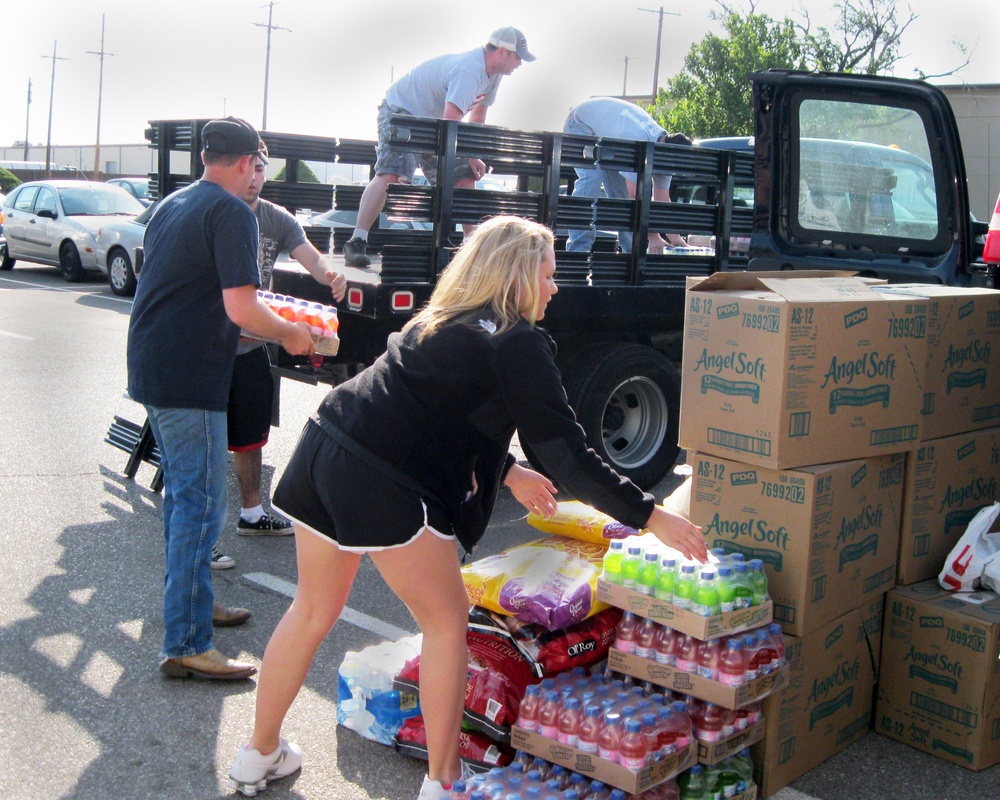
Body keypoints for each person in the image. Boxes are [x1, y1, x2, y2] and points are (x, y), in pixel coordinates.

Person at [226, 216, 708, 798]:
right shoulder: (518, 340)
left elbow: (435, 409)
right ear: (518, 274)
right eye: (549, 275)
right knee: (446, 622)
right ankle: (444, 782)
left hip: (325, 445)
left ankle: (258, 754)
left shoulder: (446, 319)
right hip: (382, 478)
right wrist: (653, 515)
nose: (556, 288)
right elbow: (572, 457)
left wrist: (507, 471)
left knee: (310, 610)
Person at [127, 117, 316, 681]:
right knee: (201, 504)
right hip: (188, 377)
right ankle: (186, 641)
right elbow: (242, 309)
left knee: (187, 499)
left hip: (157, 366)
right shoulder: (232, 212)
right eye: (259, 162)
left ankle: (196, 604)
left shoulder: (175, 202)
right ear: (245, 161)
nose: (259, 173)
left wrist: (278, 328)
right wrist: (292, 333)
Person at [215, 153, 348, 563]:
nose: (254, 176)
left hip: (253, 342)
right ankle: (205, 542)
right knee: (204, 443)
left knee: (250, 435)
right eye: (249, 167)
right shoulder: (217, 210)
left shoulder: (276, 217)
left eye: (260, 169)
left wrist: (330, 275)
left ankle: (251, 513)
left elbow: (309, 255)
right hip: (211, 345)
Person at [343, 26, 535, 268]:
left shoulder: (493, 75)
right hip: (403, 111)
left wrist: (473, 156)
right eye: (518, 57)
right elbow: (450, 122)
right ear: (503, 52)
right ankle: (357, 241)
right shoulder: (469, 70)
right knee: (392, 174)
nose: (519, 64)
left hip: (434, 122)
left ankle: (471, 247)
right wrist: (459, 157)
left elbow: (477, 117)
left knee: (464, 177)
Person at [563, 96, 692, 254]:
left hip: (611, 137)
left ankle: (631, 253)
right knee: (591, 179)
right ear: (664, 153)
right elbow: (635, 197)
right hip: (581, 124)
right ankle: (578, 251)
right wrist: (653, 237)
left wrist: (676, 238)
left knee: (620, 197)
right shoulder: (637, 142)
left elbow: (662, 201)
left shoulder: (667, 154)